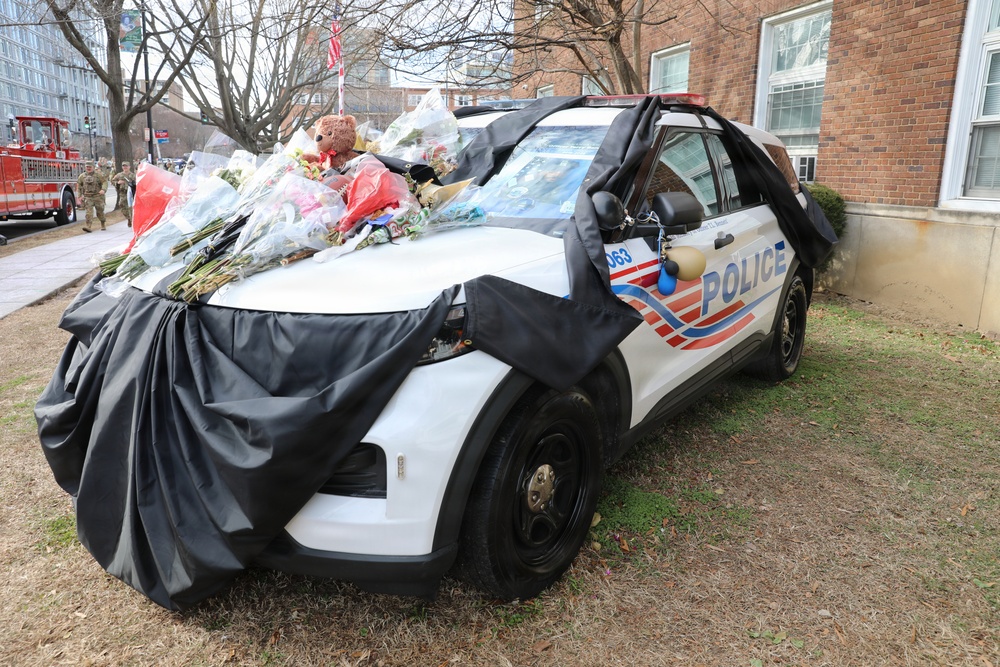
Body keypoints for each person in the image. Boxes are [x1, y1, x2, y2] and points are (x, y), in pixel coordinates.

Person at [77, 161, 107, 232]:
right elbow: (79, 186)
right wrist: (79, 195)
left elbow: (104, 182)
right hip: (88, 197)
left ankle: (103, 223)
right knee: (88, 212)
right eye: (87, 167)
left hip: (98, 196)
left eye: (90, 167)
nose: (88, 168)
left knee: (100, 211)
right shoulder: (82, 176)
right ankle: (88, 226)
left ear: (93, 167)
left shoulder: (98, 175)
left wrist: (103, 189)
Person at [111, 161, 136, 227]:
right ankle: (128, 218)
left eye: (126, 166)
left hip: (131, 194)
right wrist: (117, 183)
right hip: (123, 193)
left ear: (129, 167)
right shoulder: (119, 175)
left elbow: (138, 182)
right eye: (124, 166)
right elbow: (113, 181)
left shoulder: (133, 175)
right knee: (122, 205)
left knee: (131, 207)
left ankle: (132, 220)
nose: (125, 167)